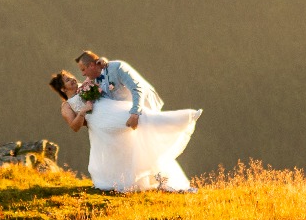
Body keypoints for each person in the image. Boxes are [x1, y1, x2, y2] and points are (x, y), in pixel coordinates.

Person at [51, 50, 199, 193]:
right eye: (68, 80)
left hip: (113, 111)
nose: (74, 78)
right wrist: (83, 112)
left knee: (142, 125)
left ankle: (178, 123)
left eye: (72, 77)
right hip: (103, 124)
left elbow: (98, 70)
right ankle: (134, 179)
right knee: (125, 147)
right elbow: (74, 126)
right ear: (63, 89)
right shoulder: (66, 106)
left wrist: (103, 61)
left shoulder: (86, 85)